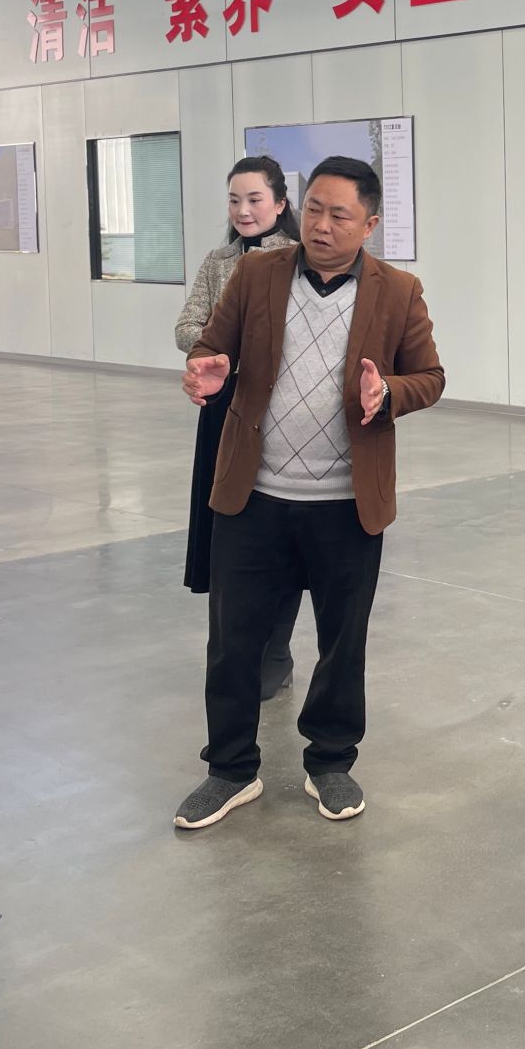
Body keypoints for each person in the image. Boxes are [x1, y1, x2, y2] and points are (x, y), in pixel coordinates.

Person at [173, 155, 445, 831]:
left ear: (370, 224)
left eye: (339, 215)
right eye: (315, 209)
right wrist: (207, 367)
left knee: (341, 643)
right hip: (254, 496)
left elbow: (431, 376)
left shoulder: (398, 291)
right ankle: (230, 770)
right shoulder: (257, 273)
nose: (322, 225)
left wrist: (389, 393)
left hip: (346, 504)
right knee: (233, 642)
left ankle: (330, 761)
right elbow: (212, 345)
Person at [175, 156, 303, 703]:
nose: (243, 210)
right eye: (234, 200)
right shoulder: (218, 261)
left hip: (280, 409)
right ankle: (235, 652)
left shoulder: (298, 258)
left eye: (254, 199)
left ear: (280, 203)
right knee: (228, 538)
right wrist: (222, 344)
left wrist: (231, 340)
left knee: (277, 534)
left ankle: (277, 653)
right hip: (223, 409)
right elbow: (187, 327)